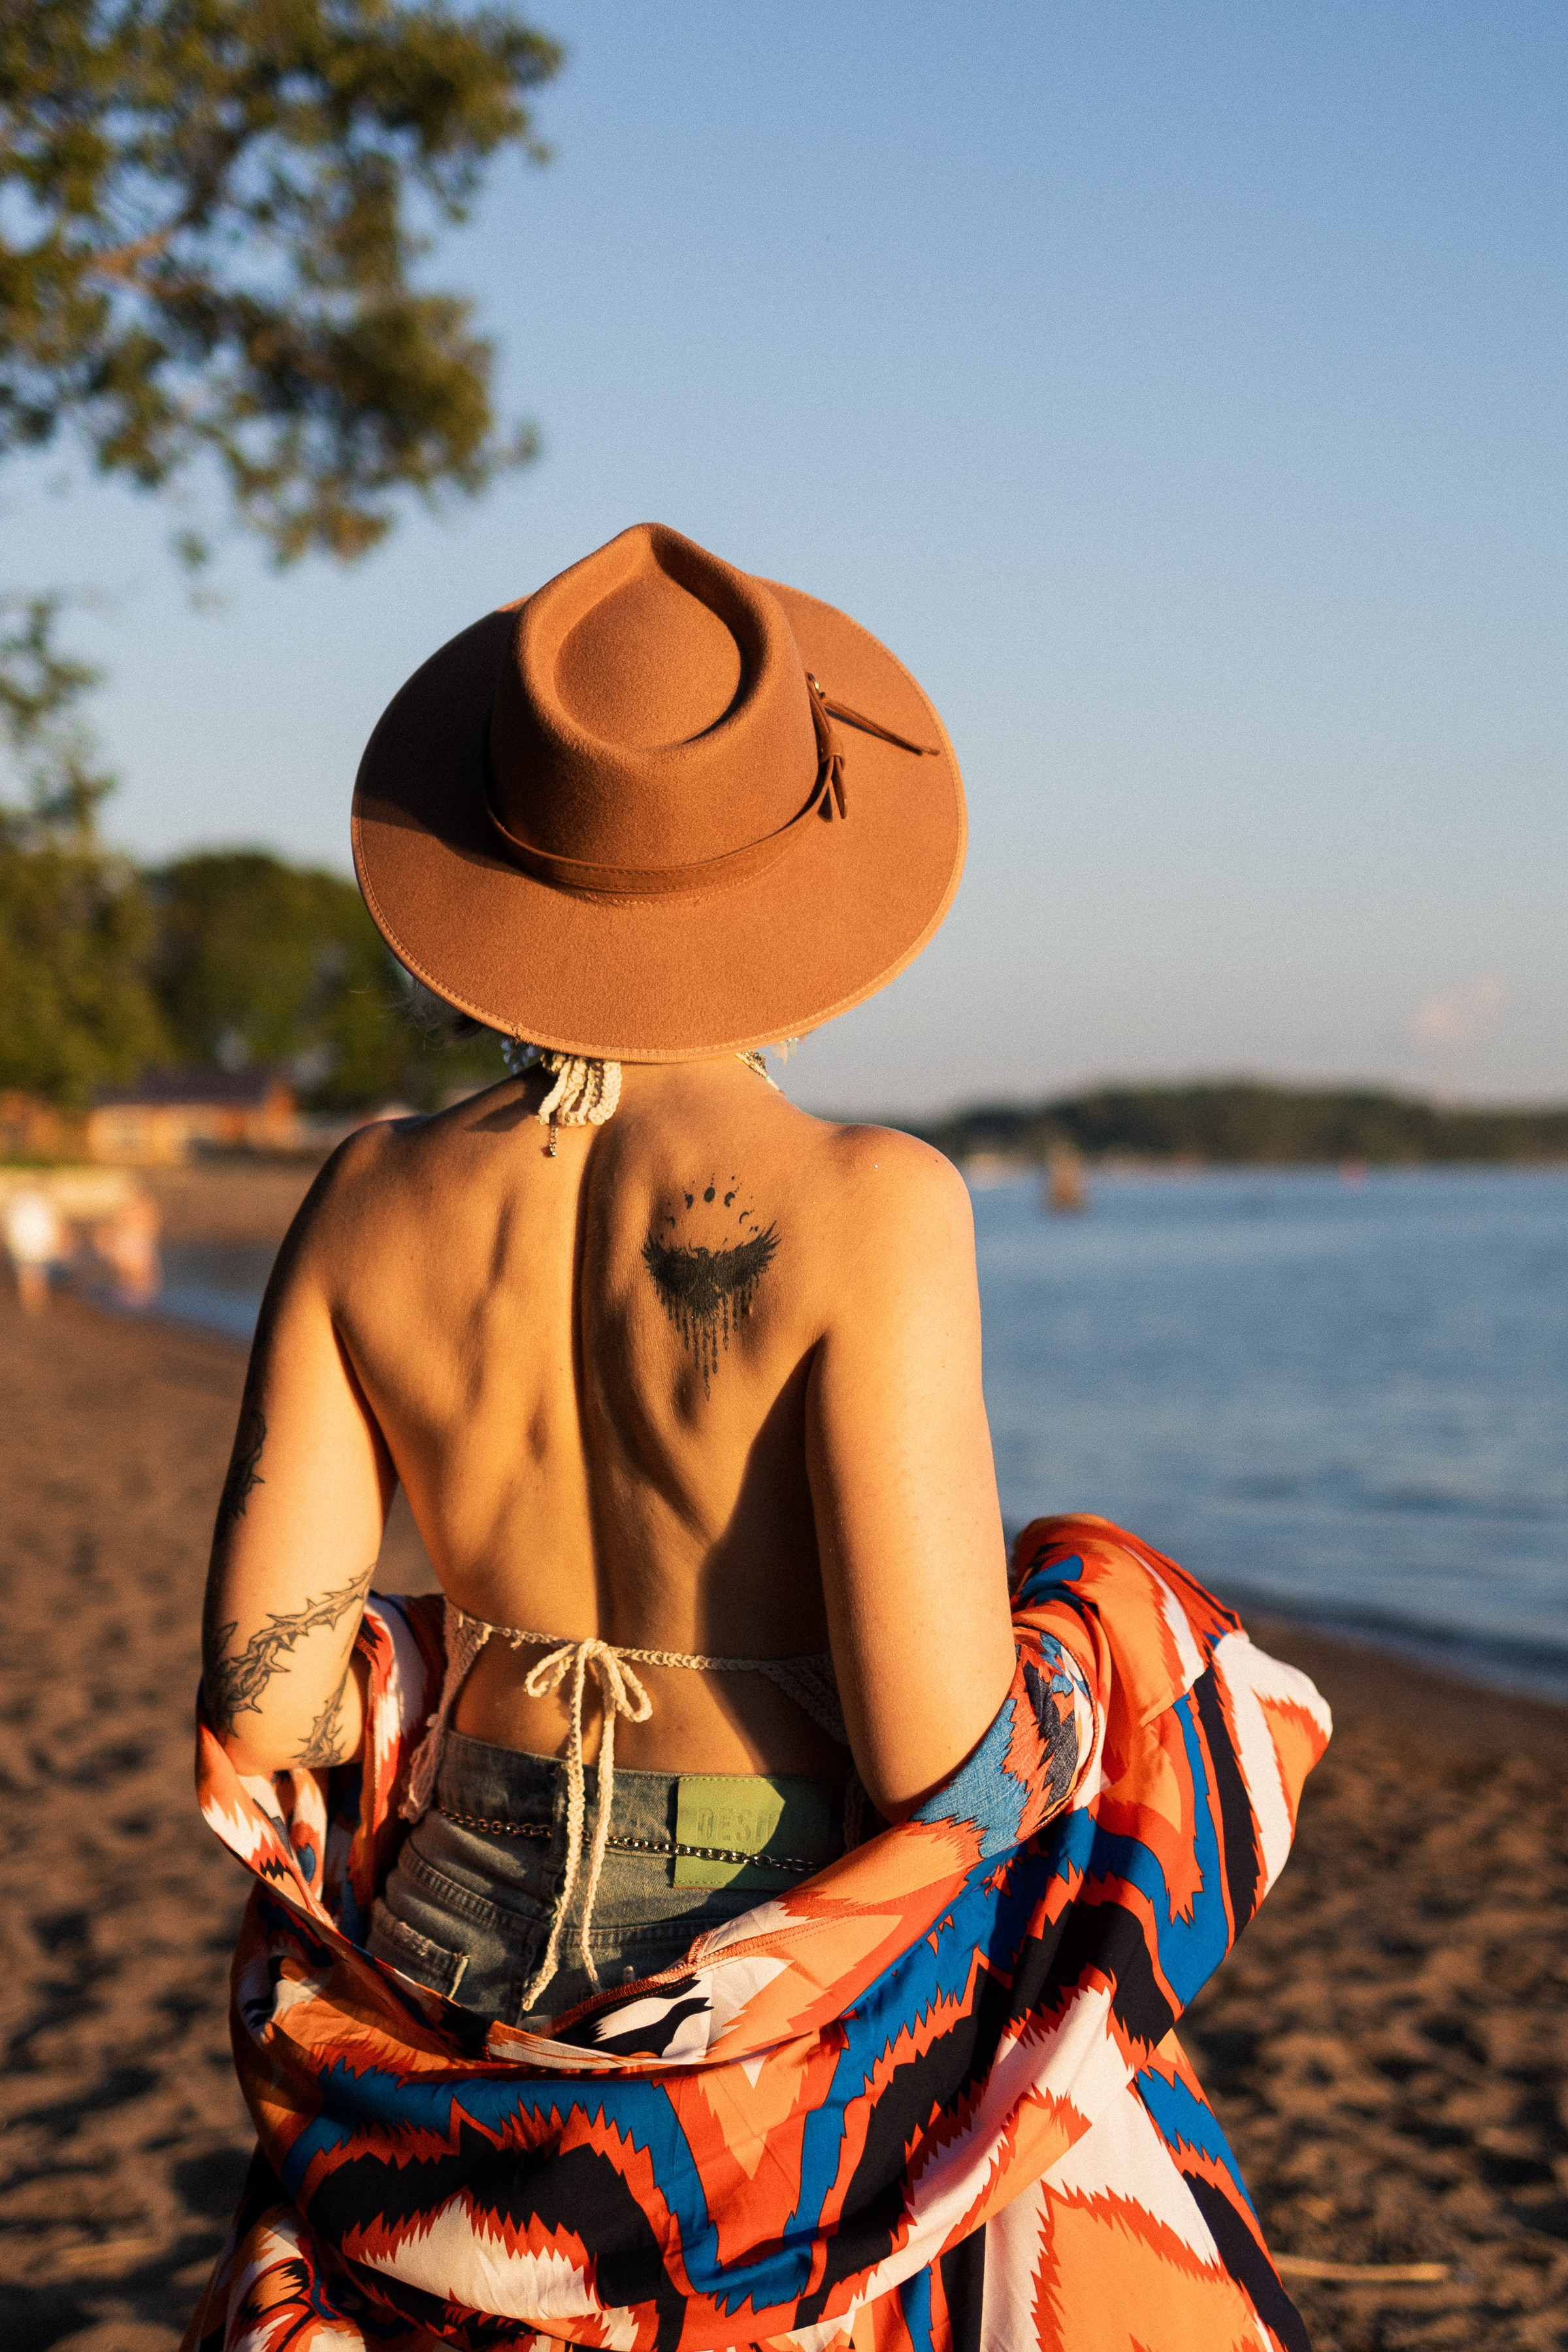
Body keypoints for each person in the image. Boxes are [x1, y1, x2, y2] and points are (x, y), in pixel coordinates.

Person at [190, 524, 1328, 2352]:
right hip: (757, 1959)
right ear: (802, 877)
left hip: (442, 1940)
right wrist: (1093, 1645)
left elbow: (264, 1710)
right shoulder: (872, 1207)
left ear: (496, 868)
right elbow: (928, 1762)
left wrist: (453, 1658)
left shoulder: (366, 1198)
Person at [3, 1183, 64, 1316]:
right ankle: (35, 1307)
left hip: (29, 1245)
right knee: (34, 1273)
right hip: (35, 1245)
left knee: (30, 1274)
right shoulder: (41, 1203)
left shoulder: (19, 1204)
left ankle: (33, 1306)